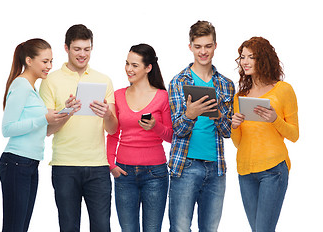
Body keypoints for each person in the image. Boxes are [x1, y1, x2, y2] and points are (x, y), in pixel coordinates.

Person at [39, 24, 118, 232]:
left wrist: (107, 114)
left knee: (102, 227)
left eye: (87, 49)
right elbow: (47, 130)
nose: (82, 54)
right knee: (68, 227)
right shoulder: (51, 81)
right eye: (77, 49)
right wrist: (67, 111)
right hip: (65, 166)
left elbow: (112, 129)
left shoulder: (104, 80)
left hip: (98, 167)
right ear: (66, 48)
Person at [0, 38, 73, 231]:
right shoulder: (21, 85)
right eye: (45, 61)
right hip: (16, 163)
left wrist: (66, 112)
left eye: (51, 61)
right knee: (14, 227)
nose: (49, 66)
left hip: (29, 163)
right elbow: (7, 128)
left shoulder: (32, 89)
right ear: (29, 61)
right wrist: (43, 118)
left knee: (21, 227)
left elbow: (43, 130)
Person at [168, 20, 235, 232]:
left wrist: (218, 115)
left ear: (215, 46)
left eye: (207, 46)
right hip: (186, 165)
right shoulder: (178, 81)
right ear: (190, 47)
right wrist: (190, 115)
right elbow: (177, 130)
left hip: (216, 168)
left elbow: (227, 132)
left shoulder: (226, 84)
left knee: (210, 229)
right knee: (180, 229)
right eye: (198, 46)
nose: (203, 52)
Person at [231, 37, 299, 232]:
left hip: (273, 170)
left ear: (263, 59)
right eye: (242, 57)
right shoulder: (240, 97)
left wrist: (274, 120)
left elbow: (294, 135)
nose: (245, 61)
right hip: (245, 172)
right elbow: (239, 143)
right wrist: (235, 126)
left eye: (251, 57)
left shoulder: (283, 90)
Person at [107, 44, 173, 231]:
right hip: (124, 174)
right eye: (127, 63)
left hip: (155, 174)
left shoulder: (162, 96)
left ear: (148, 68)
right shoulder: (118, 95)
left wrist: (155, 126)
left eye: (135, 65)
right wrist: (111, 164)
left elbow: (171, 136)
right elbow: (112, 133)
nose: (129, 69)